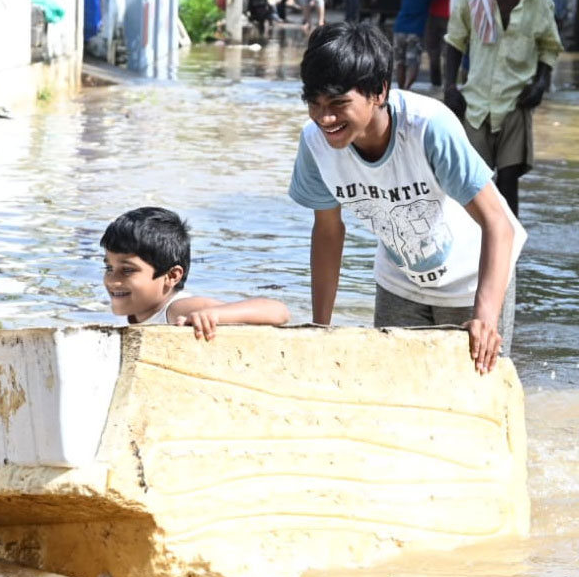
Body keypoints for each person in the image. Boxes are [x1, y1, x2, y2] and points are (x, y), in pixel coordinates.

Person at [287, 22, 526, 374]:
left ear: (379, 91)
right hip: (401, 281)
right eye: (315, 103)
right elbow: (327, 232)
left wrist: (485, 318)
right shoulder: (315, 144)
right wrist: (320, 328)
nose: (326, 117)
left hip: (473, 278)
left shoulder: (428, 128)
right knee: (393, 388)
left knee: (472, 390)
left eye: (339, 104)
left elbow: (497, 223)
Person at [442, 0, 562, 216]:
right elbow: (455, 40)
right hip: (476, 105)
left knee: (508, 180)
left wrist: (540, 84)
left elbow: (549, 47)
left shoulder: (540, 3)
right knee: (473, 183)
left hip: (516, 102)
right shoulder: (473, 0)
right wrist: (449, 87)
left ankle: (510, 246)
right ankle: (474, 242)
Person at [101, 207, 290, 339]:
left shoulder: (176, 310)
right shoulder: (135, 310)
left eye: (127, 270)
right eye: (109, 268)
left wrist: (213, 315)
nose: (112, 280)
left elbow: (278, 311)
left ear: (172, 276)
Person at [392, 0, 434, 89]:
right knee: (413, 63)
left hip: (399, 28)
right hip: (415, 31)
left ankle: (400, 88)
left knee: (400, 63)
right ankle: (407, 88)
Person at [424, 0, 452, 86]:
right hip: (441, 15)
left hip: (440, 16)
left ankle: (441, 83)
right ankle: (444, 84)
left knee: (438, 53)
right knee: (442, 53)